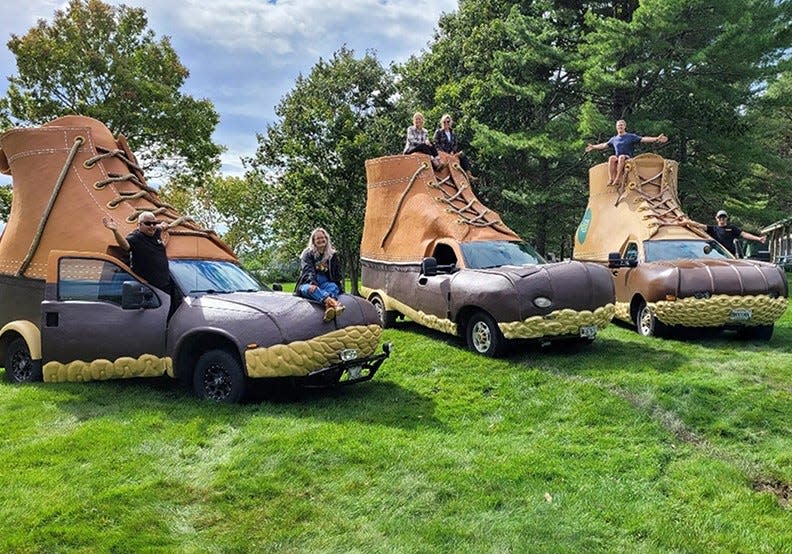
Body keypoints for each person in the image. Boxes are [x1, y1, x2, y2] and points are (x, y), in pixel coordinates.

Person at [103, 211, 171, 293]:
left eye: (154, 223)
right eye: (148, 223)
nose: (152, 226)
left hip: (165, 284)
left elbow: (160, 227)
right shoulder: (135, 237)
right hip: (149, 287)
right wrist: (115, 231)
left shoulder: (155, 231)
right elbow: (125, 245)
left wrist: (164, 225)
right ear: (139, 225)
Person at [585, 119, 668, 185]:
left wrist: (656, 139)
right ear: (616, 127)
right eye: (618, 125)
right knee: (612, 158)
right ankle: (611, 178)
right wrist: (593, 147)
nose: (620, 127)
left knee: (621, 157)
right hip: (618, 157)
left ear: (624, 126)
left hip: (627, 157)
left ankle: (618, 178)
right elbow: (604, 145)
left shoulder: (630, 136)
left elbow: (643, 139)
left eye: (621, 125)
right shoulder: (614, 139)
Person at [296, 228, 345, 322]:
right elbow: (308, 270)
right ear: (313, 241)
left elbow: (336, 273)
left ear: (326, 239)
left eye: (323, 238)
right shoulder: (307, 254)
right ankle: (335, 304)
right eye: (317, 238)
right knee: (311, 289)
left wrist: (339, 286)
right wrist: (312, 282)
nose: (320, 240)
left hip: (325, 282)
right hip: (308, 281)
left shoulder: (332, 255)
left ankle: (328, 308)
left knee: (333, 287)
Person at [680, 210, 767, 257]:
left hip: (730, 255)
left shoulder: (732, 228)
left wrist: (758, 239)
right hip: (716, 256)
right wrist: (687, 222)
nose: (722, 219)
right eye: (720, 217)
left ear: (726, 218)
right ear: (716, 218)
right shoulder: (713, 229)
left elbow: (744, 234)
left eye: (723, 217)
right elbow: (699, 225)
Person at [433, 113, 476, 180]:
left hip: (452, 153)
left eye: (448, 121)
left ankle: (469, 174)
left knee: (463, 155)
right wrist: (443, 152)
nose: (446, 123)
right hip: (442, 153)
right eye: (444, 122)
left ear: (450, 123)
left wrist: (452, 151)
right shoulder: (438, 132)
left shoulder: (453, 133)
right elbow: (436, 143)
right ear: (442, 123)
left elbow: (455, 144)